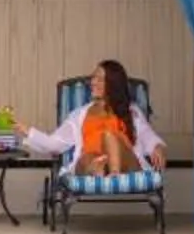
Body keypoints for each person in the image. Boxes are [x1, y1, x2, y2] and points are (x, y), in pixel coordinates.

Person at [24, 59, 164, 177]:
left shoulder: (130, 111)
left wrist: (157, 147)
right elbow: (53, 144)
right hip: (93, 162)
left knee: (109, 136)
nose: (93, 82)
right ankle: (102, 169)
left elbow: (147, 135)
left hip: (126, 163)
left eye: (100, 79)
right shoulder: (78, 115)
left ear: (113, 84)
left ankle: (113, 174)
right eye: (93, 77)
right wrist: (25, 130)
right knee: (85, 158)